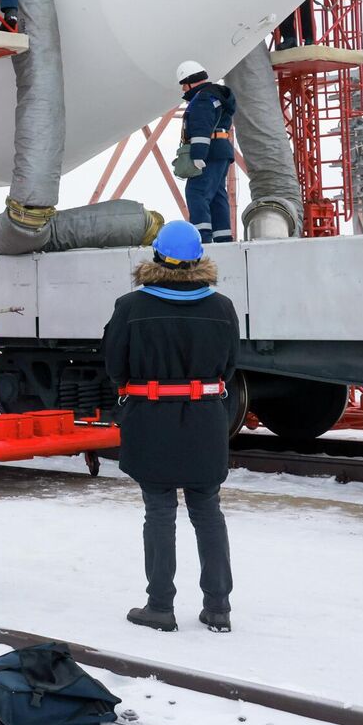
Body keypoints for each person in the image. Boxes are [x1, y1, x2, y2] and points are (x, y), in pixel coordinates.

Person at [102, 223, 241, 633]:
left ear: (156, 257)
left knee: (159, 512)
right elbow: (230, 367)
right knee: (208, 511)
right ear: (200, 259)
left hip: (151, 418)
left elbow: (114, 367)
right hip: (205, 419)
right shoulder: (223, 308)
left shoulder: (130, 307)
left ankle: (160, 607)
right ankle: (218, 607)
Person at [175, 61, 238, 244]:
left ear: (189, 81)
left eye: (183, 85)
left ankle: (201, 237)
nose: (183, 90)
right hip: (221, 150)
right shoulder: (216, 96)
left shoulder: (203, 98)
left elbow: (202, 128)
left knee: (196, 193)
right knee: (217, 194)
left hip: (209, 153)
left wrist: (198, 156)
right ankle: (222, 236)